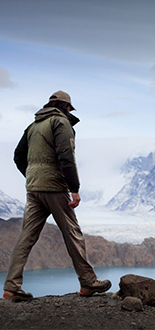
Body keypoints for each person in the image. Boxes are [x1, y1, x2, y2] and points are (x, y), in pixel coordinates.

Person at [3, 91, 111, 302]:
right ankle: (88, 282)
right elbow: (66, 156)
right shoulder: (60, 122)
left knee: (26, 237)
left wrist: (33, 175)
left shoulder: (33, 125)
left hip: (33, 188)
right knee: (73, 233)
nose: (70, 111)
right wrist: (74, 188)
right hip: (54, 187)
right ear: (65, 107)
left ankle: (11, 287)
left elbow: (17, 155)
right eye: (70, 108)